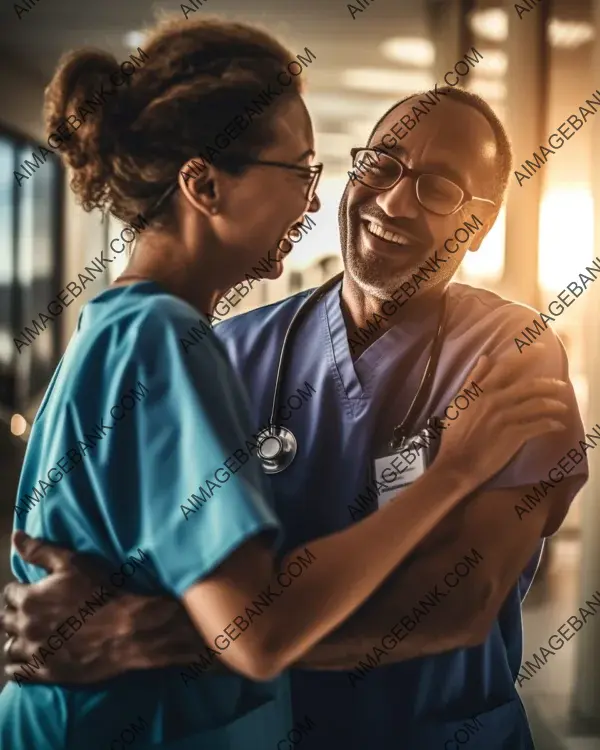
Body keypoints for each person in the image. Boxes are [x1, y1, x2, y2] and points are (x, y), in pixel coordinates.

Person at [0, 64, 582, 750]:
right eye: (381, 166)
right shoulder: (227, 347)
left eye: (438, 188)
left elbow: (462, 601)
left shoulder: (511, 352)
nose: (394, 203)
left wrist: (180, 636)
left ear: (479, 224)